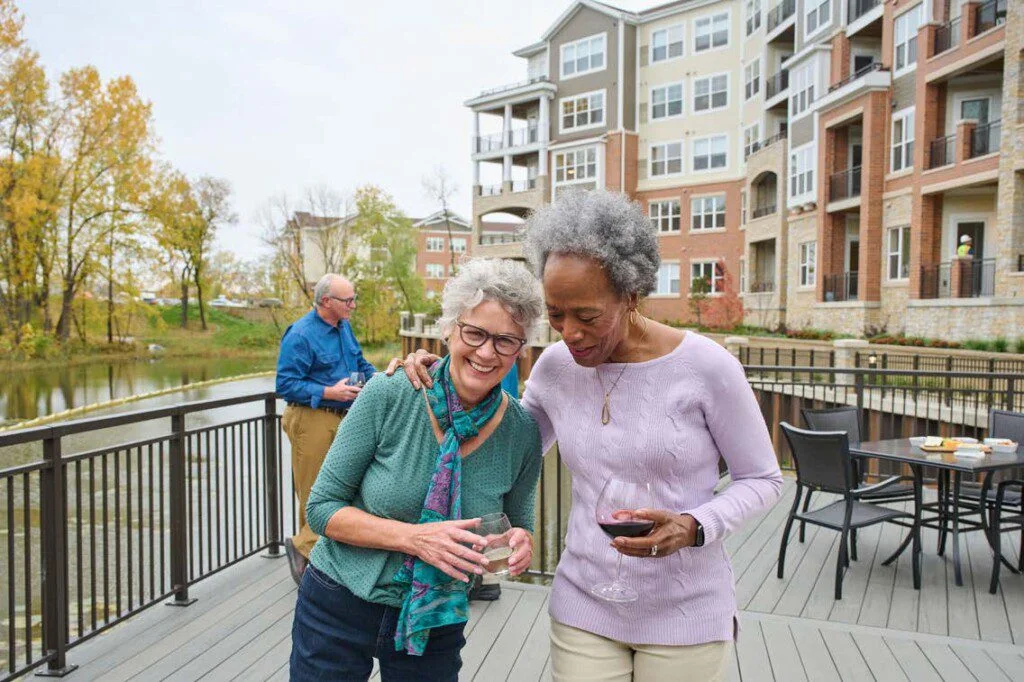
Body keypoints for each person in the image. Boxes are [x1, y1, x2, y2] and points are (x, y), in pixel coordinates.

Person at [393, 191, 784, 682]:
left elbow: (763, 478)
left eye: (588, 316)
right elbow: (505, 442)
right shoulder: (557, 367)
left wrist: (693, 524)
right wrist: (440, 379)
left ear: (631, 295)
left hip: (686, 611)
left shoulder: (708, 368)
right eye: (556, 314)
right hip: (584, 605)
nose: (569, 333)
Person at [289, 258, 545, 681]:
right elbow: (322, 509)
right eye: (475, 332)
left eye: (505, 341)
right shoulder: (389, 394)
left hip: (437, 618)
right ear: (449, 329)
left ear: (521, 349)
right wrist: (416, 539)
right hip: (340, 601)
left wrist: (520, 541)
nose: (486, 352)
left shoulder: (522, 434)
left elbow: (519, 523)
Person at [276, 273, 376, 585]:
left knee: (340, 487)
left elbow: (360, 365)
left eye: (353, 299)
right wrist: (329, 392)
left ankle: (316, 552)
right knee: (313, 488)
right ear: (325, 302)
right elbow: (285, 384)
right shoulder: (301, 334)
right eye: (347, 301)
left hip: (343, 417)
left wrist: (384, 379)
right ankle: (306, 551)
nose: (353, 305)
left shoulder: (343, 328)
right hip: (311, 416)